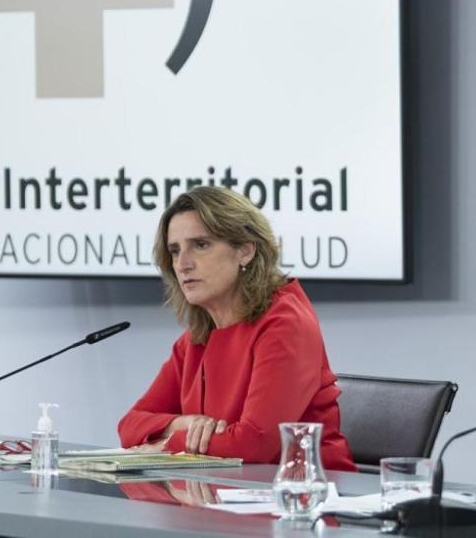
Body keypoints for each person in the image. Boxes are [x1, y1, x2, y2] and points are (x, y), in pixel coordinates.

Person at [117, 186, 356, 471]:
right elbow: (129, 426)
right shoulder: (197, 338)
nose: (183, 264)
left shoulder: (286, 323)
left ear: (245, 250)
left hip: (303, 498)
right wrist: (183, 424)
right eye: (174, 250)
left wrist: (168, 445)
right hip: (224, 498)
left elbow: (254, 443)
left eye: (201, 245)